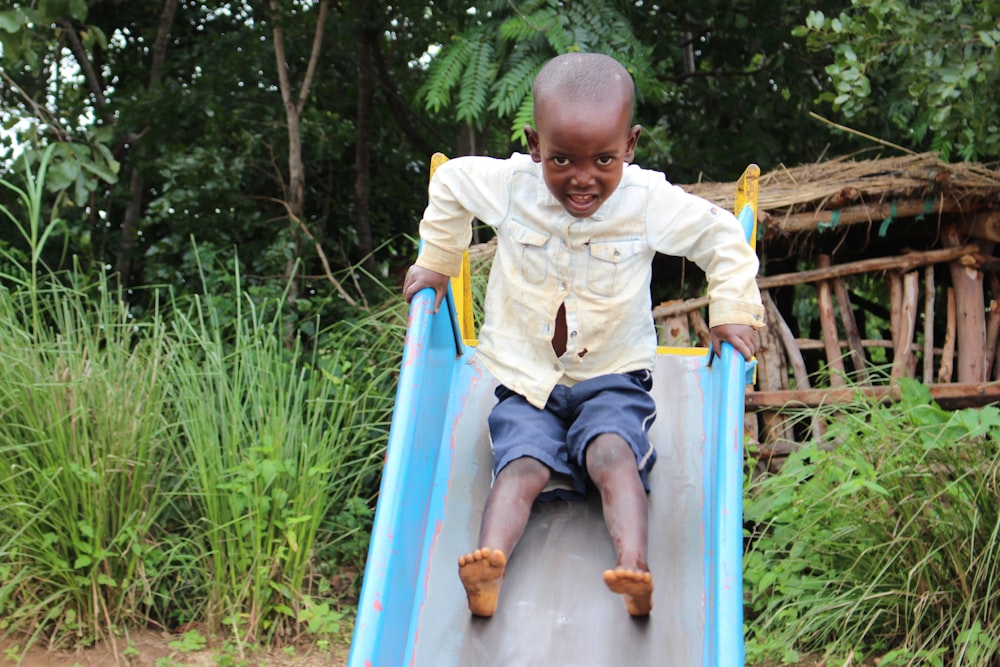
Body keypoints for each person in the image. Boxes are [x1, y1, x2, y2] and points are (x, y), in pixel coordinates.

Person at [403, 52, 764, 619]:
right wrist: (439, 261)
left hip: (613, 374)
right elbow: (449, 183)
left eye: (602, 159)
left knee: (614, 455)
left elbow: (720, 235)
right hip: (527, 380)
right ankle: (489, 565)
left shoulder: (645, 200)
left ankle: (635, 566)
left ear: (631, 145)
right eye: (561, 159)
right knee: (520, 465)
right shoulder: (511, 186)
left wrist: (731, 311)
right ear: (533, 142)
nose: (582, 178)